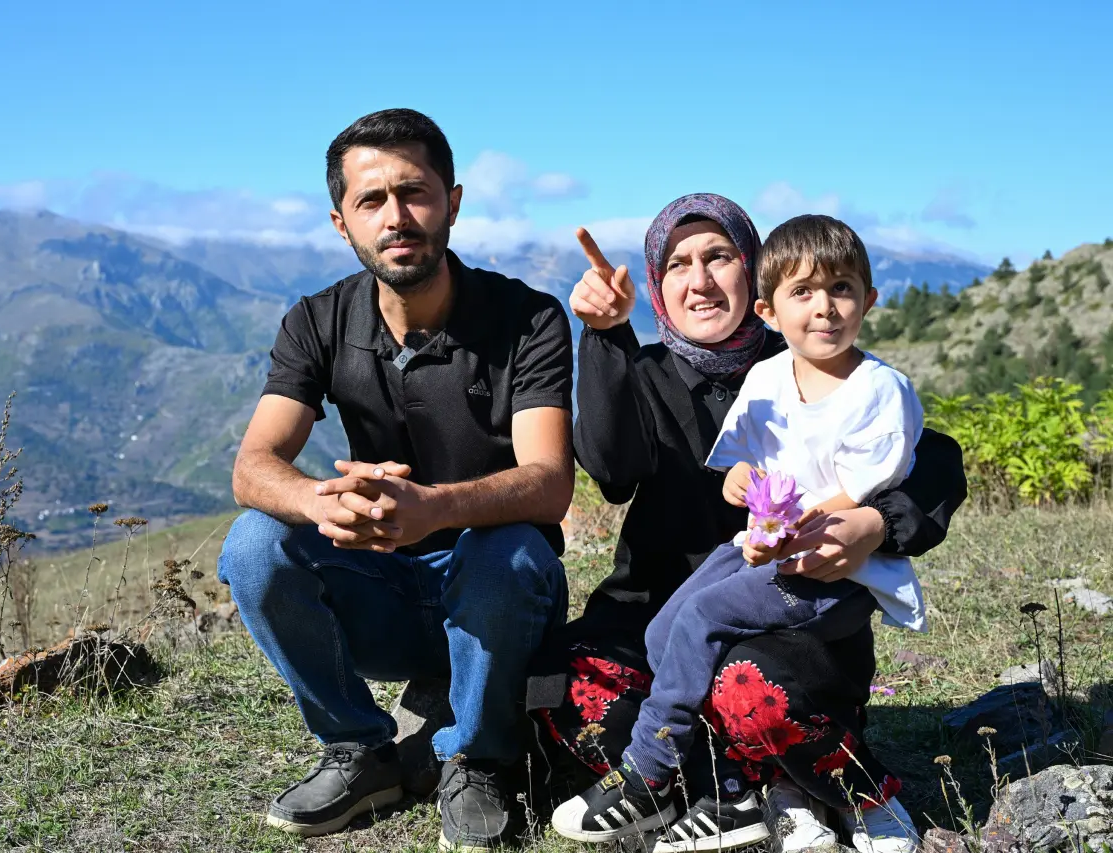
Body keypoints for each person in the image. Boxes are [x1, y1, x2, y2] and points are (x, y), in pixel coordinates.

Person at [526, 194, 967, 853]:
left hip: (785, 620)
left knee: (744, 683)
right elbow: (613, 468)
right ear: (657, 284)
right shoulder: (644, 371)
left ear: (755, 275)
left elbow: (931, 458)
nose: (699, 280)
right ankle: (731, 790)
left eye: (719, 257)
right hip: (660, 618)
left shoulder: (807, 353)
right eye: (677, 264)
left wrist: (874, 523)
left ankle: (813, 788)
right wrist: (606, 335)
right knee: (560, 676)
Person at [217, 108, 574, 851]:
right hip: (382, 590)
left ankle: (479, 758)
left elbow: (549, 482)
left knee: (506, 552)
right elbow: (252, 468)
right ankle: (360, 750)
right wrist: (320, 499)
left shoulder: (528, 318)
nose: (397, 216)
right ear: (341, 222)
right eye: (370, 201)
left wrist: (434, 509)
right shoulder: (316, 321)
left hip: (497, 594)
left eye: (414, 192)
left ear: (453, 201)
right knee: (256, 544)